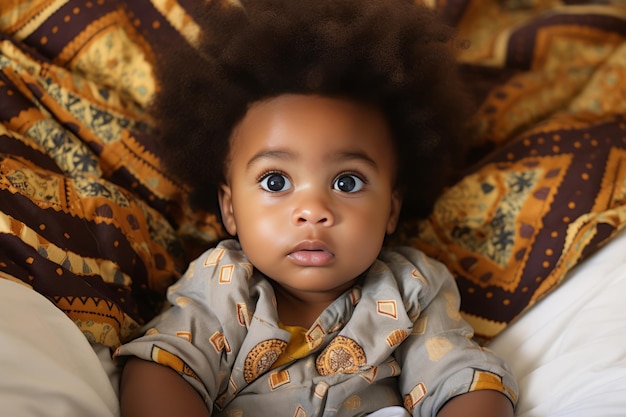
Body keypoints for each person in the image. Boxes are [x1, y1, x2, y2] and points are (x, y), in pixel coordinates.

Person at [115, 1, 518, 416]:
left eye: (348, 182)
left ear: (392, 210)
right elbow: (164, 367)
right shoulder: (223, 283)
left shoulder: (411, 289)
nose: (313, 210)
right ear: (230, 208)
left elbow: (462, 379)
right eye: (276, 182)